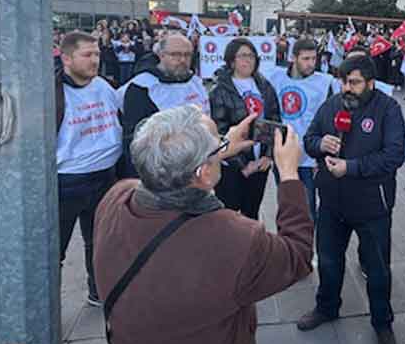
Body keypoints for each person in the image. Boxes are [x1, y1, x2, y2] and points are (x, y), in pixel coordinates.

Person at [93, 106, 311, 344]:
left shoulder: (115, 200)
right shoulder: (236, 240)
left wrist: (220, 147)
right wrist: (290, 174)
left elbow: (166, 180)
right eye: (215, 146)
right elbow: (297, 256)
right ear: (202, 173)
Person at [298, 54, 405, 344]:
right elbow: (309, 138)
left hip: (373, 205)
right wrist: (321, 145)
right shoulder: (332, 105)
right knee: (329, 261)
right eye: (344, 81)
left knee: (377, 270)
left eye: (355, 82)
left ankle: (382, 323)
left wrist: (352, 167)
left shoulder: (389, 109)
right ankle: (326, 308)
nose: (348, 87)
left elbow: (394, 155)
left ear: (371, 83)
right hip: (332, 202)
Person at [55, 31, 123, 306]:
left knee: (99, 242)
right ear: (67, 58)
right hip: (67, 181)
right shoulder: (52, 92)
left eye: (96, 54)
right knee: (53, 249)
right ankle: (46, 310)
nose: (95, 60)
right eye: (87, 55)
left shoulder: (103, 86)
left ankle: (99, 291)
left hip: (105, 177)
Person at [267, 38, 337, 222]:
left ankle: (305, 248)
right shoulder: (276, 77)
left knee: (307, 210)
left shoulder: (324, 82)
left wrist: (319, 157)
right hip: (283, 154)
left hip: (308, 157)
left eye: (314, 59)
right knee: (286, 205)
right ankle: (286, 246)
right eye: (306, 59)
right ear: (293, 57)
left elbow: (328, 121)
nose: (311, 64)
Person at [210, 38, 280, 220]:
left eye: (251, 56)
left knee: (251, 216)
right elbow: (220, 131)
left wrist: (268, 156)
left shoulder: (264, 86)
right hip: (232, 167)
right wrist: (243, 166)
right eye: (242, 56)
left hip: (259, 164)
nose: (248, 60)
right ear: (231, 60)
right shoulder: (219, 91)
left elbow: (275, 119)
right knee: (228, 218)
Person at [120, 33, 208, 176]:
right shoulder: (143, 86)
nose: (182, 60)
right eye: (175, 55)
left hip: (198, 162)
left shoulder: (195, 82)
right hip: (162, 170)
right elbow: (134, 136)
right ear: (161, 55)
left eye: (187, 55)